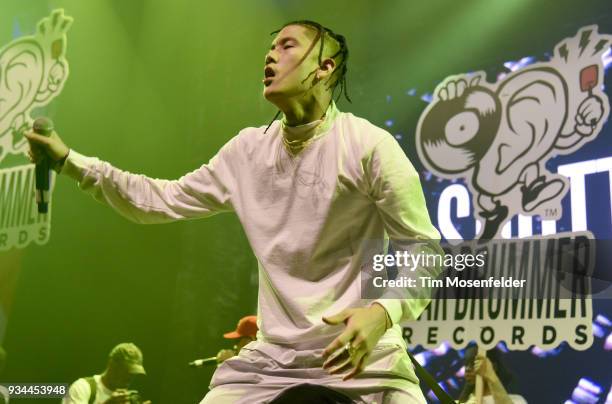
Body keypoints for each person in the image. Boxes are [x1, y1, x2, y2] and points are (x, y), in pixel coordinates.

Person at [27, 19, 440, 403]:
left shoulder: (368, 144)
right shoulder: (247, 151)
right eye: (270, 47)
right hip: (269, 364)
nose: (270, 54)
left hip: (359, 358)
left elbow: (426, 249)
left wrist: (382, 313)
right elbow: (158, 199)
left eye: (287, 45)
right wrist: (68, 161)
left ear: (324, 67)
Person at [62, 342, 149, 404]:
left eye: (133, 373)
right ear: (112, 365)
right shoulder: (82, 388)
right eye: (127, 371)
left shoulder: (128, 400)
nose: (129, 377)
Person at [458, 348, 527, 404]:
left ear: (493, 366)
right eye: (466, 364)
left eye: (474, 363)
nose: (467, 369)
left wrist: (490, 375)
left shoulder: (517, 401)